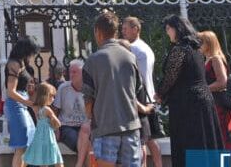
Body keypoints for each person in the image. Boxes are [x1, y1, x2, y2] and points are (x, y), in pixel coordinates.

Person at [154, 15, 222, 167]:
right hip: (203, 100)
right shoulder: (195, 49)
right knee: (203, 141)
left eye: (168, 29)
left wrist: (160, 94)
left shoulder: (180, 50)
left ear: (176, 29)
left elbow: (171, 76)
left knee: (189, 143)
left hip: (188, 104)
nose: (167, 33)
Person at [82, 12, 144, 167]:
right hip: (131, 126)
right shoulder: (130, 57)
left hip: (105, 127)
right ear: (116, 32)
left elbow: (88, 101)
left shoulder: (92, 61)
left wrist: (91, 119)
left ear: (98, 32)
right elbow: (137, 91)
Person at [121, 17, 161, 167]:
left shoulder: (135, 49)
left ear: (135, 29)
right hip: (149, 96)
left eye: (125, 29)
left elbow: (139, 77)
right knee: (151, 139)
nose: (122, 32)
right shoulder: (145, 46)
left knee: (143, 140)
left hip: (141, 97)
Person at [198, 31, 231, 150]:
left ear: (209, 43)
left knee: (223, 136)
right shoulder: (209, 59)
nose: (198, 45)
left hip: (219, 104)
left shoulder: (215, 59)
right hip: (214, 102)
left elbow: (222, 82)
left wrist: (203, 89)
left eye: (201, 42)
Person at [3, 37, 39, 167]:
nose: (32, 55)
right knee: (21, 145)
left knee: (28, 142)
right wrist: (28, 103)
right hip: (16, 105)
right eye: (31, 52)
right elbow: (11, 91)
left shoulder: (21, 63)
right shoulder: (14, 64)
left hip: (21, 104)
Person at [52, 59, 90, 167]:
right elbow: (55, 111)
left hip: (86, 127)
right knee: (82, 144)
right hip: (67, 126)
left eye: (75, 72)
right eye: (70, 72)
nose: (71, 75)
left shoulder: (89, 88)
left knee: (88, 141)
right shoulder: (63, 88)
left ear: (83, 73)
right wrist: (56, 129)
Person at [23, 82, 62, 167]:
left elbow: (27, 102)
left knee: (42, 157)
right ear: (45, 96)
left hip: (39, 136)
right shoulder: (47, 109)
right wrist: (53, 123)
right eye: (52, 96)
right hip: (49, 136)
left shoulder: (35, 108)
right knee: (57, 157)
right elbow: (58, 123)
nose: (53, 99)